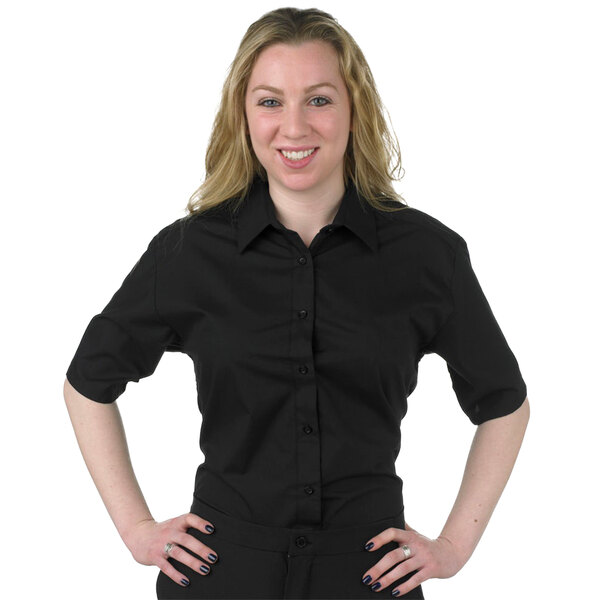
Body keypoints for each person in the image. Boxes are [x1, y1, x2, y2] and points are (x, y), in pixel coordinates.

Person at [63, 7, 530, 599]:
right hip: (220, 575)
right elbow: (88, 384)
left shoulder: (427, 254)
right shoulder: (187, 253)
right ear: (243, 114)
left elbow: (504, 403)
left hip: (368, 576)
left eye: (318, 100)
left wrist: (454, 547)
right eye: (270, 101)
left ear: (355, 108)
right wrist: (136, 529)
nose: (294, 127)